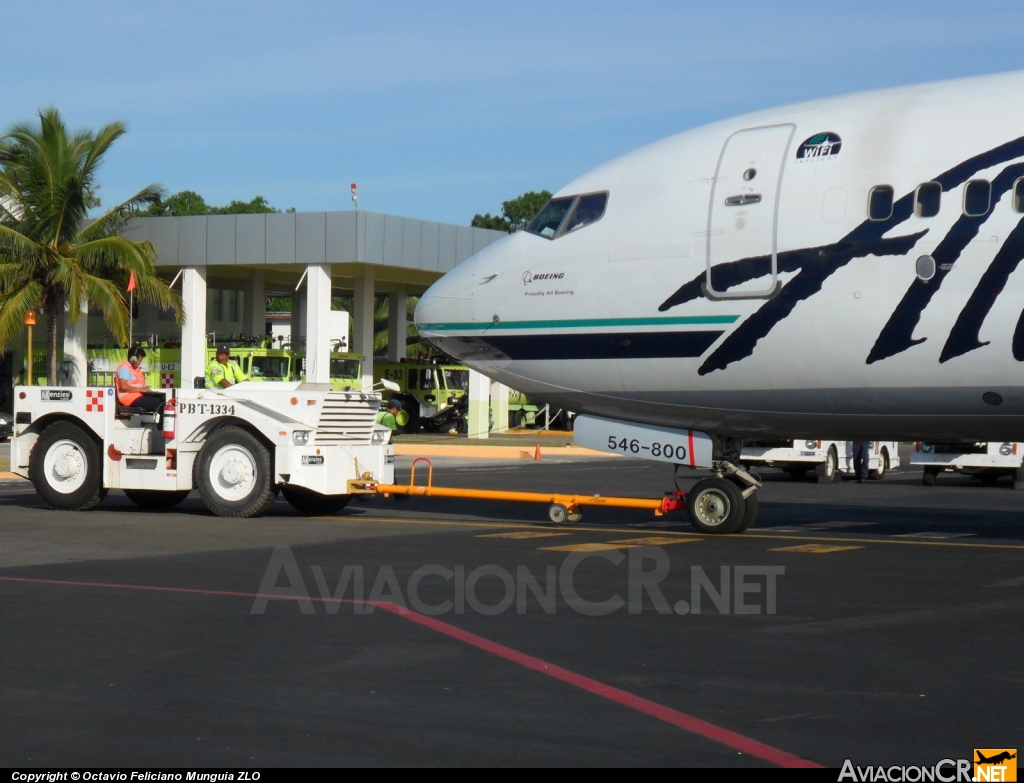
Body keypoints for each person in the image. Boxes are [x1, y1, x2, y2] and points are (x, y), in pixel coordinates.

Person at [116, 346, 164, 414]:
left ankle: (162, 423)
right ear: (133, 359)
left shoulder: (135, 369)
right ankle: (163, 424)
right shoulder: (124, 368)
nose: (140, 362)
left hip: (138, 395)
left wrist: (147, 390)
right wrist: (143, 390)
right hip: (128, 397)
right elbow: (123, 386)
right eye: (139, 360)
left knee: (163, 398)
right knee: (160, 403)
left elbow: (138, 385)